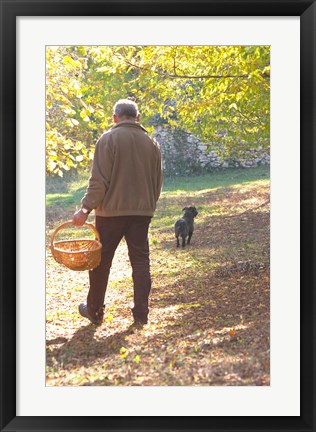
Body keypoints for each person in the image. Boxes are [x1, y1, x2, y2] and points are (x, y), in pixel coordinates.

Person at [72, 99, 163, 326]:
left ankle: (94, 310)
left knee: (100, 263)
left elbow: (99, 181)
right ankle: (141, 314)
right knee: (141, 262)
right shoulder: (152, 143)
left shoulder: (108, 139)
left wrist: (85, 209)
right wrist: (148, 205)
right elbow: (157, 181)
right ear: (137, 117)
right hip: (141, 213)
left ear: (115, 118)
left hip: (110, 213)